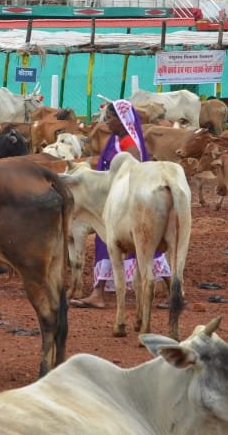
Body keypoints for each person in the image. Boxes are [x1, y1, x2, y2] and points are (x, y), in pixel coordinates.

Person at [71, 99, 172, 309]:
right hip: (115, 199)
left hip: (125, 202)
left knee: (129, 242)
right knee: (140, 243)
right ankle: (99, 292)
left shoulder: (129, 144)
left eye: (109, 118)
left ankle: (99, 294)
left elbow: (131, 173)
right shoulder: (116, 140)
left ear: (122, 120)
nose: (106, 122)